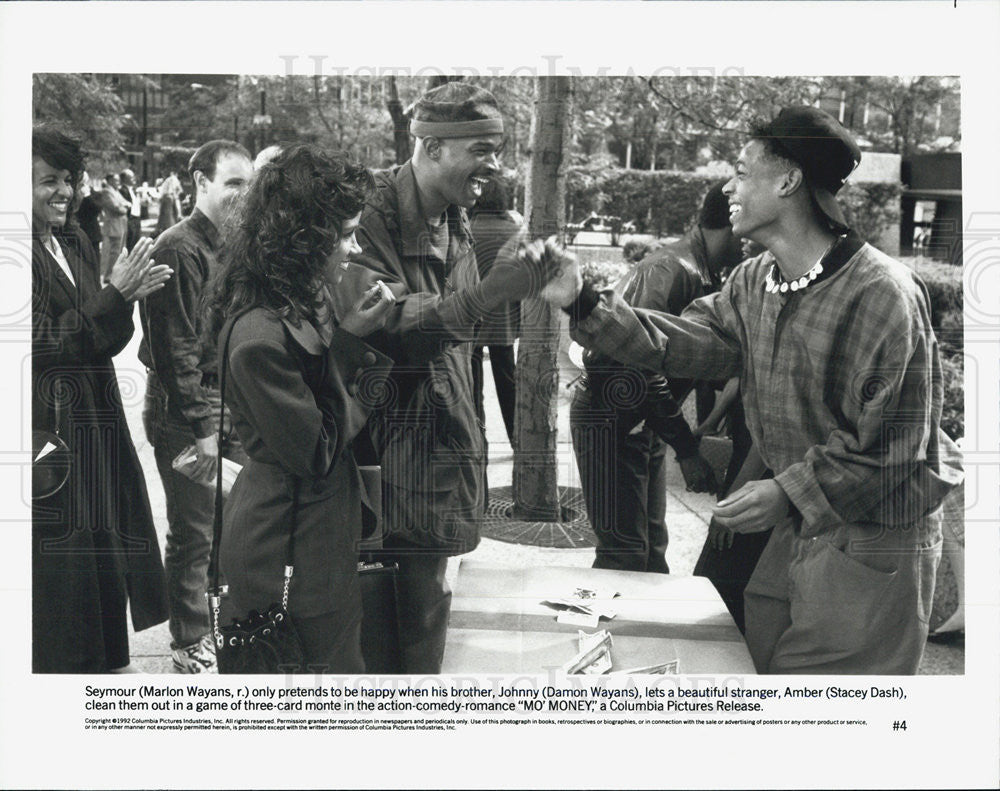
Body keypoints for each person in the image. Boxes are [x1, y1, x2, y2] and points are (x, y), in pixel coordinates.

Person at [543, 106, 962, 674]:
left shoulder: (883, 294)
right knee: (766, 675)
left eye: (740, 171)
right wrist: (583, 301)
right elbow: (680, 341)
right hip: (805, 533)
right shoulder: (755, 279)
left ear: (788, 181)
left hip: (876, 540)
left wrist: (786, 493)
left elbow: (895, 445)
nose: (727, 186)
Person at [337, 81, 558, 673]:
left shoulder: (452, 214)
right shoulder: (371, 211)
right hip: (385, 458)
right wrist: (491, 292)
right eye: (482, 149)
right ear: (432, 147)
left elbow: (452, 344)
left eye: (499, 148)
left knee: (427, 610)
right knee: (387, 630)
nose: (495, 164)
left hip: (439, 444)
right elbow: (384, 325)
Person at [208, 144, 395, 673]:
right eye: (344, 234)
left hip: (310, 537)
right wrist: (353, 343)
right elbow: (315, 450)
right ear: (303, 238)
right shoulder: (258, 337)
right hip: (286, 549)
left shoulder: (294, 304)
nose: (354, 248)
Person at [31, 127, 173, 672]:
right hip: (45, 425)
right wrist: (114, 297)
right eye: (48, 180)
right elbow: (42, 340)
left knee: (101, 531)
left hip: (94, 414)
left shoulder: (73, 242)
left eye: (68, 179)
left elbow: (106, 337)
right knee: (60, 548)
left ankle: (104, 652)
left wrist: (123, 296)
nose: (63, 192)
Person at [570, 181, 740, 573]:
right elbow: (638, 369)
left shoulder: (700, 271)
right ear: (730, 222)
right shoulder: (671, 269)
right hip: (612, 418)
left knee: (649, 549)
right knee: (625, 552)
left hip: (639, 421)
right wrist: (687, 448)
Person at [138, 139, 254, 673]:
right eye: (232, 183)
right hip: (187, 410)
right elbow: (174, 351)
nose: (242, 193)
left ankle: (220, 625)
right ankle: (189, 639)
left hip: (229, 400)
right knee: (193, 532)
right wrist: (202, 427)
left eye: (247, 183)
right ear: (200, 184)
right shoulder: (176, 248)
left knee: (231, 523)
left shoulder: (235, 245)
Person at [469, 175, 521, 445]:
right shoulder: (515, 231)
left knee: (472, 384)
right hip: (504, 317)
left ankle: (478, 440)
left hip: (472, 317)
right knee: (508, 380)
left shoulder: (467, 229)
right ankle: (516, 438)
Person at [99, 172, 130, 280]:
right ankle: (109, 275)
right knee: (114, 252)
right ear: (110, 181)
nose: (118, 182)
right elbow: (116, 207)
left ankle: (116, 274)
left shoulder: (115, 191)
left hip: (121, 224)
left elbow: (127, 202)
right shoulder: (106, 192)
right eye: (116, 180)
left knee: (120, 251)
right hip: (114, 224)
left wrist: (124, 205)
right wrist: (124, 207)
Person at [75, 171, 103, 257]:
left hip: (91, 233)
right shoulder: (72, 192)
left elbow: (97, 209)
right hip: (75, 233)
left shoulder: (93, 193)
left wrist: (87, 195)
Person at [119, 168, 142, 252]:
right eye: (131, 177)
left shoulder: (133, 190)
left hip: (137, 219)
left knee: (136, 243)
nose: (134, 178)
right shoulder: (122, 190)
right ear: (125, 179)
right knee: (130, 243)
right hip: (130, 219)